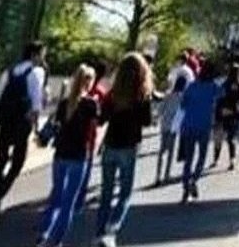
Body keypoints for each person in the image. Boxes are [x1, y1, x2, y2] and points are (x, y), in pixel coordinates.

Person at [0, 41, 47, 227]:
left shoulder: (9, 71)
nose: (43, 58)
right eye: (42, 54)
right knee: (17, 162)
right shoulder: (35, 73)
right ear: (34, 55)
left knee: (0, 160)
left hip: (4, 119)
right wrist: (36, 129)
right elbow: (36, 104)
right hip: (21, 122)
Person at [36, 64, 99, 247]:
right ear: (89, 82)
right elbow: (94, 129)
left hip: (61, 153)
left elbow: (58, 125)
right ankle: (56, 241)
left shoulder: (64, 103)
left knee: (56, 197)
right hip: (79, 155)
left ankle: (44, 233)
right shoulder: (91, 104)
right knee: (68, 202)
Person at [95, 53, 153, 246]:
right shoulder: (142, 94)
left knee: (106, 193)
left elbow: (102, 117)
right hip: (129, 145)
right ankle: (111, 229)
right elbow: (146, 121)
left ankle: (99, 233)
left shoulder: (113, 93)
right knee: (125, 193)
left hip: (111, 143)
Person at [178, 61, 221, 202]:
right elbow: (223, 94)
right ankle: (194, 179)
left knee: (188, 159)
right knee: (201, 157)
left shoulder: (191, 86)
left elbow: (183, 105)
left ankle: (185, 188)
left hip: (188, 125)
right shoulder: (213, 87)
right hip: (204, 126)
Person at [74, 61, 109, 214]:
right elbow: (101, 119)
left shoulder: (79, 90)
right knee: (84, 171)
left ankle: (70, 199)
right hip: (90, 137)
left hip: (75, 134)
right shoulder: (100, 93)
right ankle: (78, 202)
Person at [155, 55, 192, 185]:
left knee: (161, 150)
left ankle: (157, 175)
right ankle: (166, 174)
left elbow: (161, 110)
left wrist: (158, 118)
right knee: (170, 151)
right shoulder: (183, 98)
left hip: (164, 124)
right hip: (174, 126)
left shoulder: (168, 95)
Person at [212, 62, 239, 171]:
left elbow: (218, 100)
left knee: (218, 139)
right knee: (231, 138)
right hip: (234, 115)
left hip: (223, 114)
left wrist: (218, 113)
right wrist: (237, 112)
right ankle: (232, 160)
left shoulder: (224, 84)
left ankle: (216, 160)